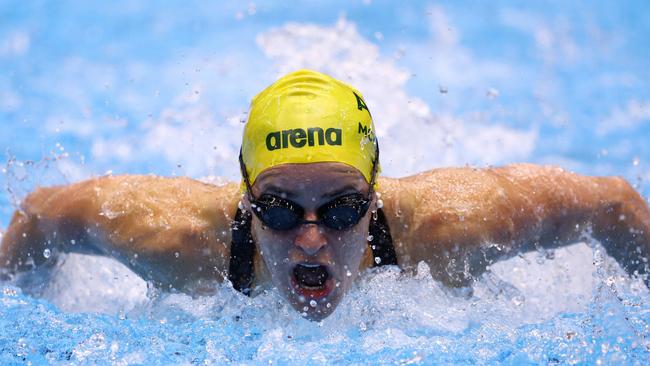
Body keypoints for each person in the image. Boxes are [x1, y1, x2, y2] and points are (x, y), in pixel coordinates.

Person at [1, 69, 649, 320]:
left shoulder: (451, 227)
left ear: (373, 197)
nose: (311, 236)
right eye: (279, 209)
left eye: (341, 209)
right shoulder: (177, 240)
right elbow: (47, 213)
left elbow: (613, 204)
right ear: (246, 197)